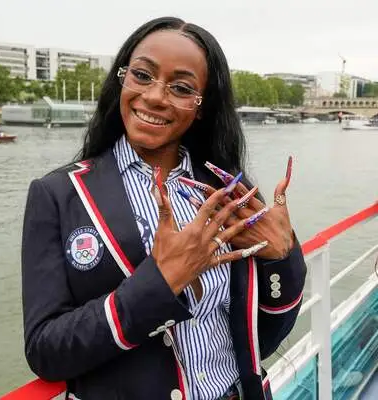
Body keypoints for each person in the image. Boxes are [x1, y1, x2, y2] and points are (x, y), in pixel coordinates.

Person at [21, 16, 306, 400]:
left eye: (182, 87)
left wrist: (282, 258)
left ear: (202, 106)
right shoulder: (59, 194)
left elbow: (262, 336)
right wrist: (159, 283)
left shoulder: (226, 190)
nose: (155, 96)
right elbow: (45, 350)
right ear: (122, 79)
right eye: (142, 75)